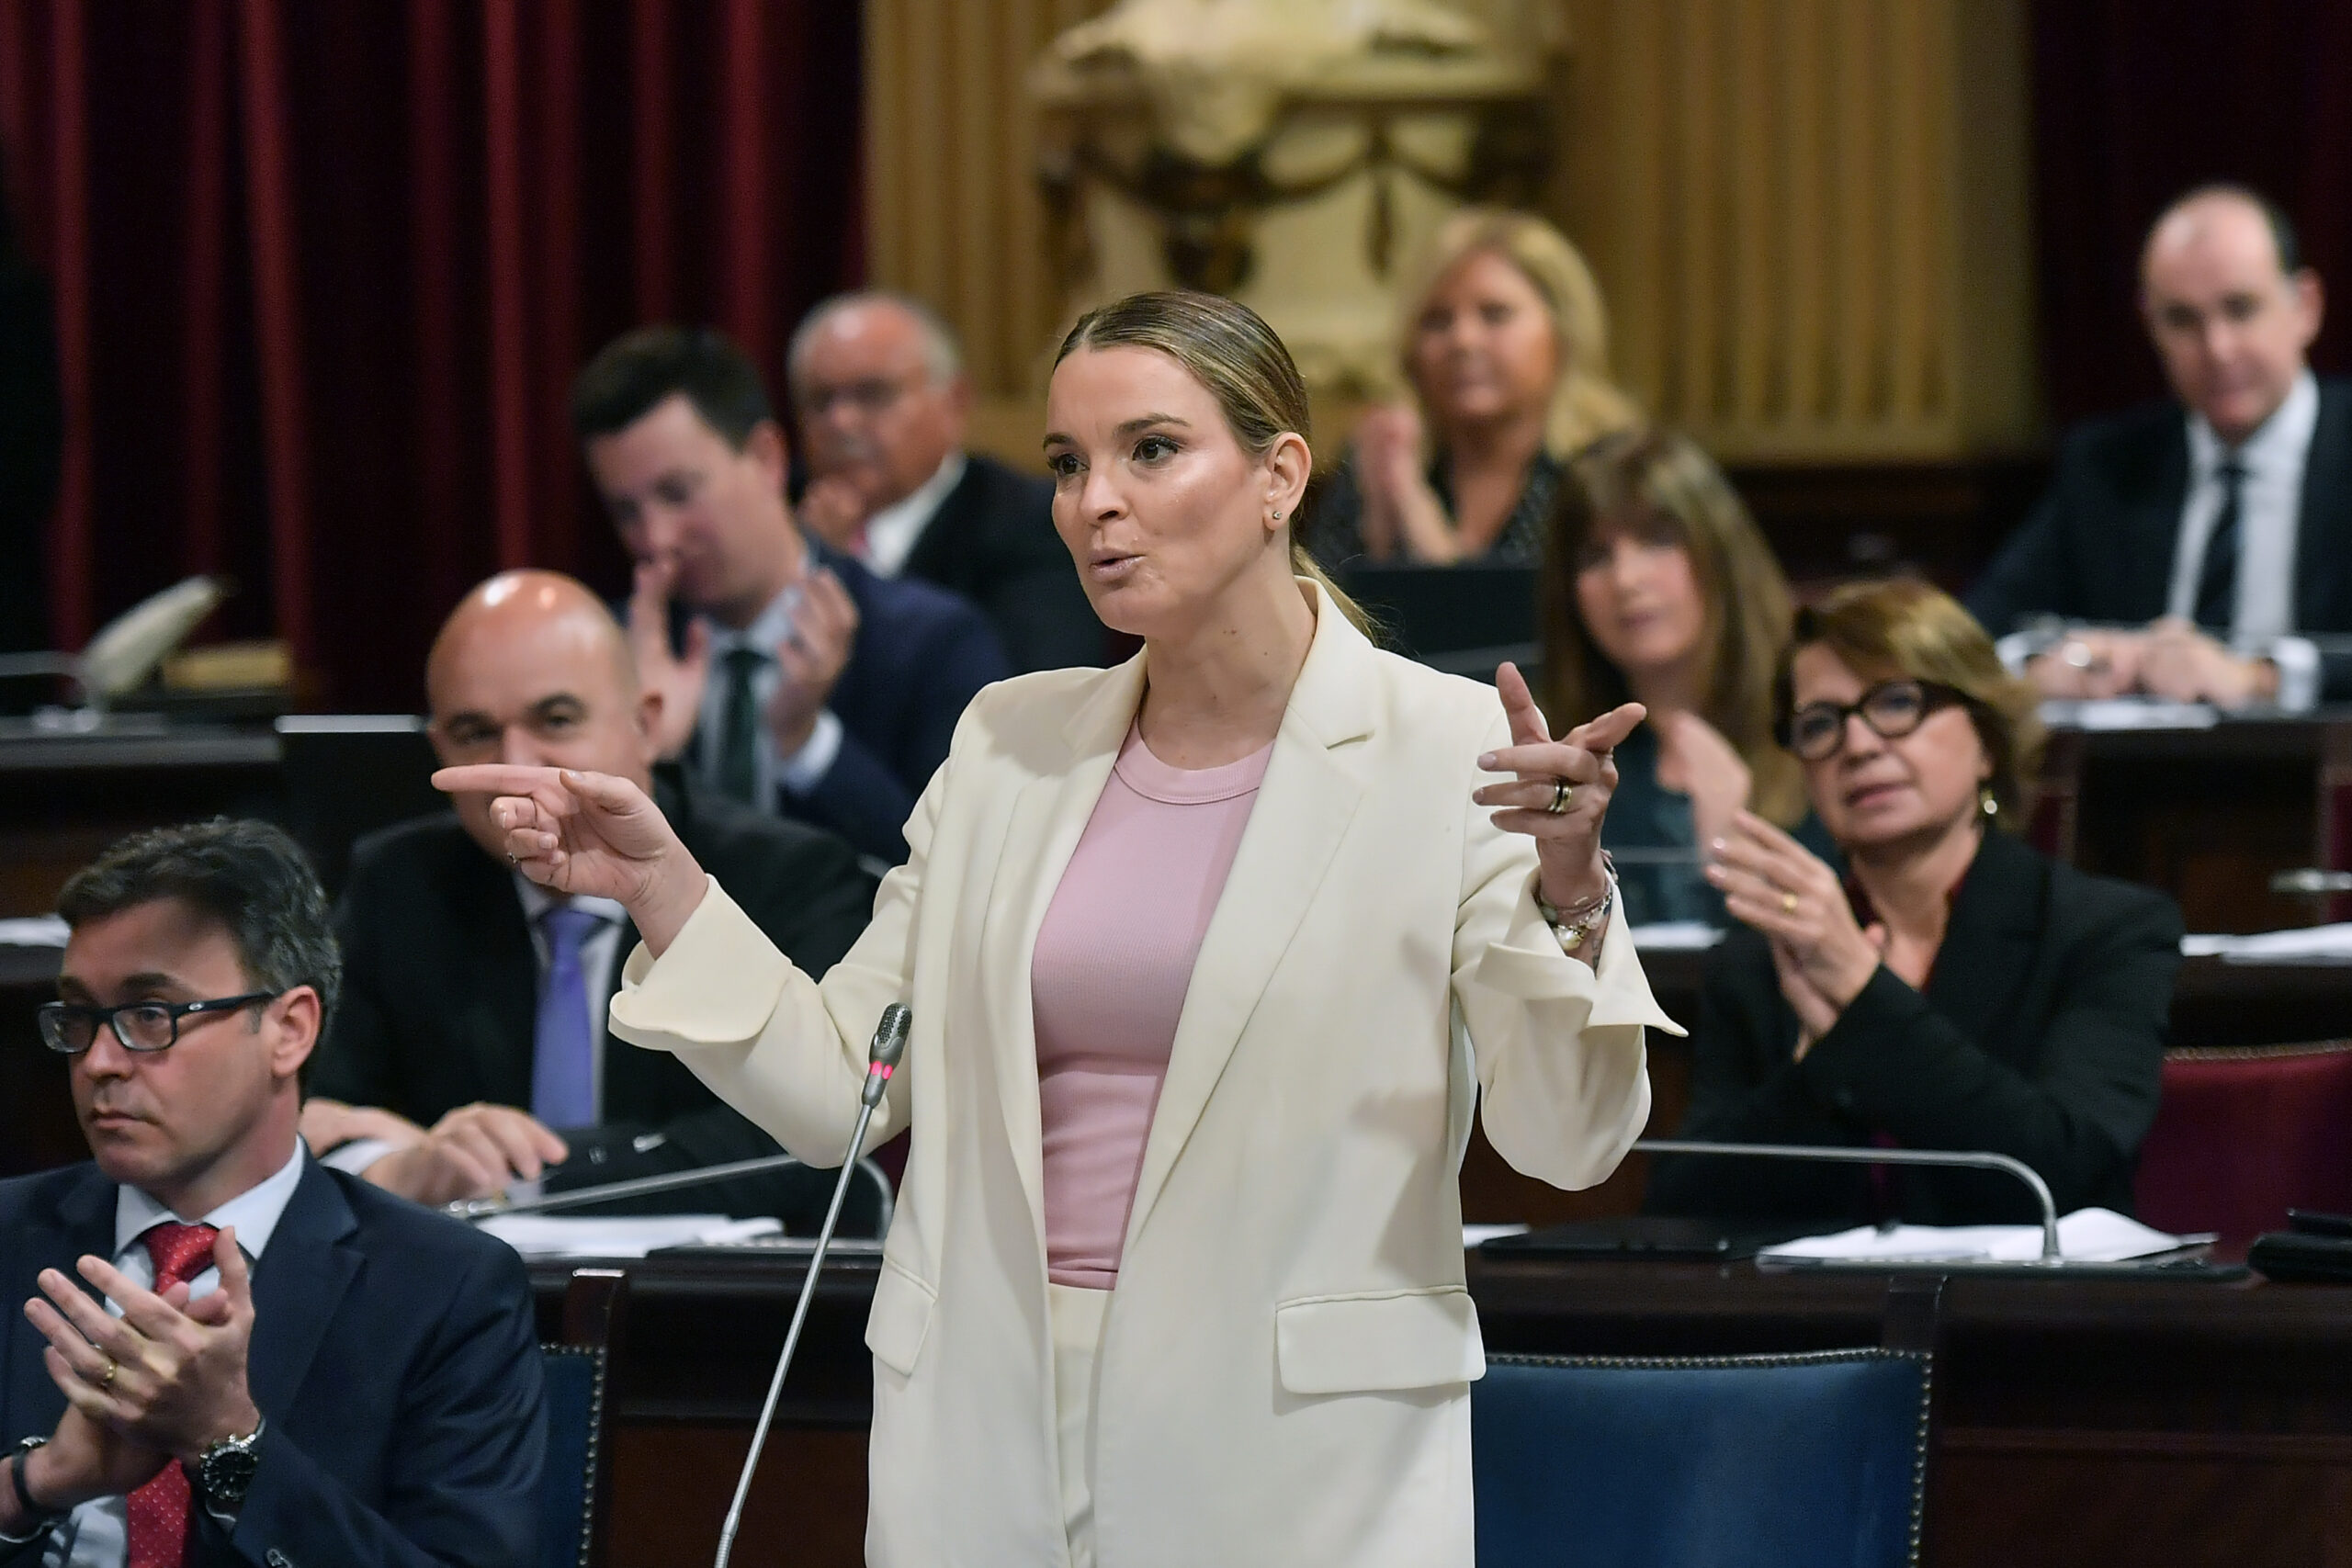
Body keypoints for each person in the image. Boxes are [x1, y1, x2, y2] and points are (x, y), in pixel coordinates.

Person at [439, 290, 1681, 1566]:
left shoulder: (1451, 749)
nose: (1096, 500)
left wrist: (1571, 890)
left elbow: (1569, 1139)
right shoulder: (1006, 743)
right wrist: (663, 885)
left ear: (1280, 475)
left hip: (1296, 1452)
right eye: (1067, 462)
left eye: (1150, 449)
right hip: (987, 1431)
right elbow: (838, 1090)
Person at [0, 819, 543, 1567]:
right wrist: (32, 1485)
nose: (98, 1061)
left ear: (290, 1029)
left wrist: (229, 1444)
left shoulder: (445, 1290)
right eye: (79, 1017)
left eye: (149, 1015)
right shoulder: (7, 1236)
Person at [300, 570, 876, 1230]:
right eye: (473, 731)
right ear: (438, 749)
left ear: (647, 724)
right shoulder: (398, 884)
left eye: (557, 719)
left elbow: (795, 1143)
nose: (516, 764)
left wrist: (529, 1169)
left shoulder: (787, 876)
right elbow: (313, 1106)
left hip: (718, 1300)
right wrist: (401, 1164)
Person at [1645, 580, 2182, 1228]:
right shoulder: (1761, 955)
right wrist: (1813, 1075)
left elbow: (2067, 1170)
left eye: (1897, 703)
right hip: (1818, 1323)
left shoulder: (2103, 931)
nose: (1861, 745)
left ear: (1987, 739)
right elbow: (1683, 1206)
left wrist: (1863, 1000)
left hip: (2025, 1317)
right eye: (1821, 723)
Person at [570, 324, 1011, 865]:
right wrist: (648, 756)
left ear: (766, 458)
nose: (656, 538)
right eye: (627, 512)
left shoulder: (931, 642)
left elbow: (957, 869)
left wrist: (807, 743)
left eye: (678, 493)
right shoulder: (613, 655)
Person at [1969, 184, 2352, 709]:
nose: (2217, 348)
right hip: (2139, 780)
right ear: (2150, 325)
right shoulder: (2108, 467)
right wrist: (2052, 666)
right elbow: (1974, 636)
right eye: (2182, 320)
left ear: (2305, 307)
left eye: (2240, 309)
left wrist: (2261, 679)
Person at [1542, 428, 1822, 926]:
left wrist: (1732, 849)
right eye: (1595, 556)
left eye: (1657, 540)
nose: (1626, 579)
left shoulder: (1818, 728)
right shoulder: (1567, 761)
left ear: (1717, 552)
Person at [1300, 206, 1641, 569]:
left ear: (1563, 332)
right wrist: (1389, 509)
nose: (1463, 340)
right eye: (1437, 321)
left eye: (1495, 314)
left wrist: (1422, 523)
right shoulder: (1382, 459)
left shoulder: (1609, 472)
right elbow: (1322, 603)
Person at [788, 290, 1108, 672]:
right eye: (820, 400)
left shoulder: (1032, 525)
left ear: (954, 402)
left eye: (872, 394)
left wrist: (844, 575)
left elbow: (1031, 698)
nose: (840, 422)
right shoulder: (778, 513)